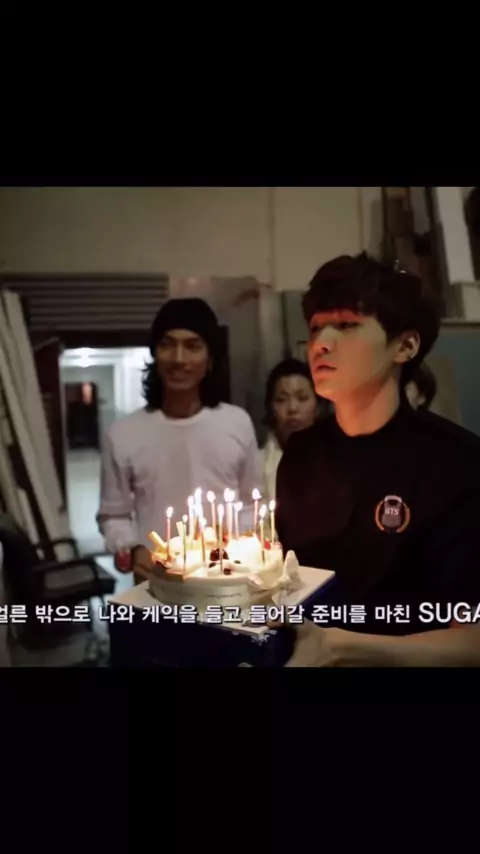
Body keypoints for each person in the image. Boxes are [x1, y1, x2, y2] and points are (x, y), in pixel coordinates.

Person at [274, 252, 480, 666]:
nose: (321, 343)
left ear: (404, 345)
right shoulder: (300, 454)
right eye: (315, 328)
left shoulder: (455, 464)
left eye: (347, 325)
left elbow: (472, 641)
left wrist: (339, 645)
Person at [97, 297, 262, 583]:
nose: (178, 358)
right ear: (154, 353)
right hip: (156, 584)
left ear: (210, 359)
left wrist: (242, 544)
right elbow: (113, 515)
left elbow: (253, 504)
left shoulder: (237, 423)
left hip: (226, 580)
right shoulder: (123, 434)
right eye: (167, 344)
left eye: (193, 346)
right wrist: (132, 549)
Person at [261, 358, 325, 501]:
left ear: (318, 406)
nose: (292, 408)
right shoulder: (257, 464)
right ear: (270, 408)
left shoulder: (338, 461)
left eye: (302, 398)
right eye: (281, 399)